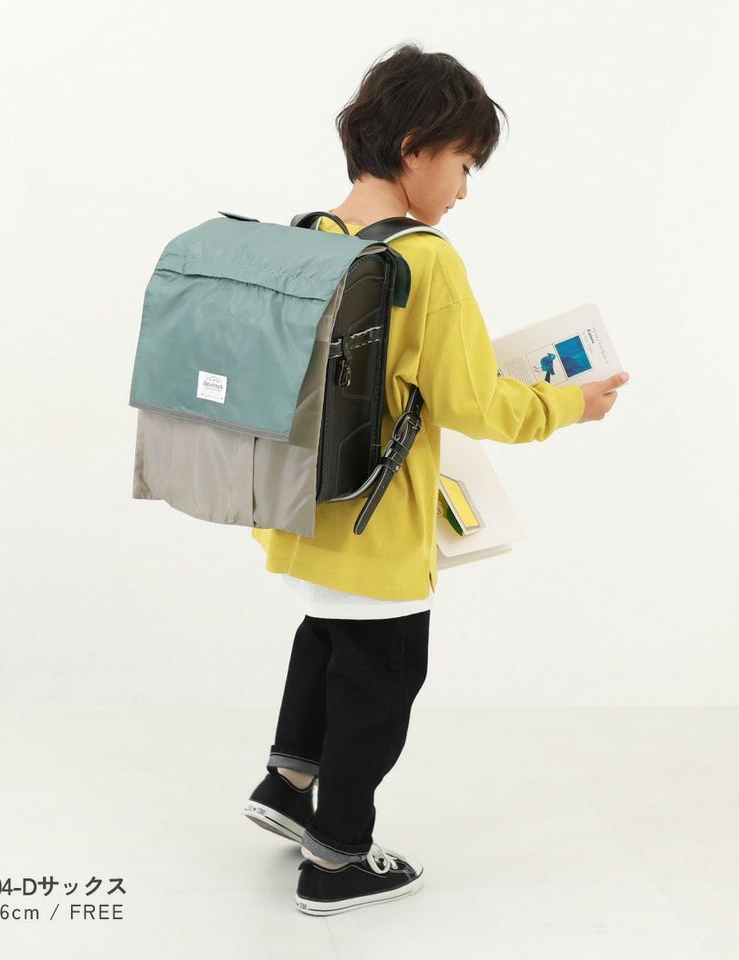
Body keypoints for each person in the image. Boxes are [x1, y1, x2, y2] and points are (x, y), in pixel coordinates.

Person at [243, 42, 629, 917]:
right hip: (377, 522)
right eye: (464, 162)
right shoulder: (427, 260)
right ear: (416, 148)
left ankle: (286, 787)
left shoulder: (309, 235)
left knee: (326, 639)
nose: (463, 188)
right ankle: (337, 858)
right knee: (381, 682)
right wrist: (569, 405)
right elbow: (472, 401)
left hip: (303, 511)